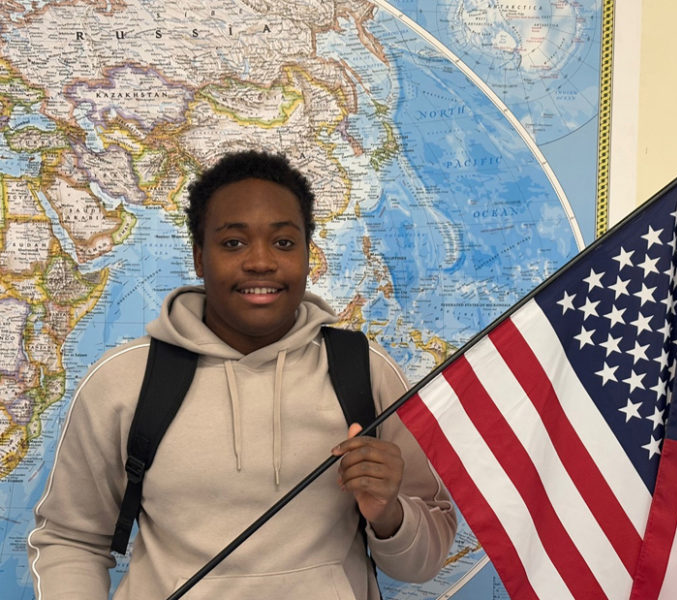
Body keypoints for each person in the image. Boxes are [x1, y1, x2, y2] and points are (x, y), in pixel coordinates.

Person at [27, 150, 457, 599]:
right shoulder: (125, 381)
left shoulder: (364, 371)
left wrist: (390, 515)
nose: (260, 262)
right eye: (233, 242)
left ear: (309, 255)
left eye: (284, 242)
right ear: (199, 257)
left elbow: (422, 564)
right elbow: (70, 540)